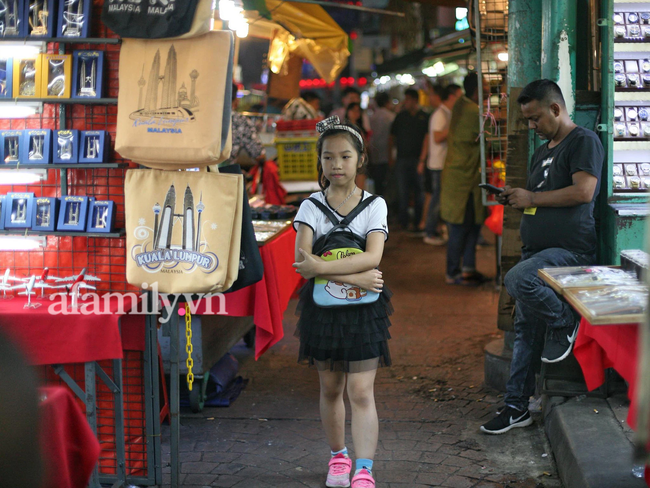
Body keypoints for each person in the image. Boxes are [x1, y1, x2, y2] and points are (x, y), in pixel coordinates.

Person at [480, 79, 603, 435]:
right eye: (528, 121)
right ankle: (516, 407)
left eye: (536, 119)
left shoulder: (583, 141)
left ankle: (566, 322)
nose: (532, 127)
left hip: (569, 252)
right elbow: (541, 196)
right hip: (538, 251)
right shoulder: (542, 150)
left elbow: (584, 192)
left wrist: (532, 200)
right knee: (525, 332)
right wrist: (520, 197)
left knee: (517, 279)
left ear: (555, 108)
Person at [292, 116, 392, 488]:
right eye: (329, 157)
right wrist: (354, 277)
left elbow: (373, 257)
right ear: (320, 161)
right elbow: (303, 263)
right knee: (331, 388)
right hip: (324, 311)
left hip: (365, 311)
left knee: (361, 391)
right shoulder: (310, 207)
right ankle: (338, 458)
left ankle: (364, 468)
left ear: (360, 159)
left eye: (345, 157)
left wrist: (325, 267)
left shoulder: (374, 205)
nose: (337, 165)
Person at [440, 73, 488, 285]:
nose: (489, 90)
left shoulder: (462, 104)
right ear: (477, 90)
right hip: (462, 181)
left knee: (471, 225)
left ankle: (467, 268)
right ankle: (453, 272)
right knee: (460, 228)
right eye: (486, 86)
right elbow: (489, 138)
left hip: (463, 179)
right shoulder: (471, 111)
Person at [418, 84, 459, 244]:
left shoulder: (446, 113)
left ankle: (435, 230)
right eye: (458, 95)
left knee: (439, 198)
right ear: (450, 96)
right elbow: (436, 137)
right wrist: (455, 127)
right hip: (438, 164)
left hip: (443, 163)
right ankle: (429, 232)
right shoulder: (440, 114)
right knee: (437, 199)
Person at [389, 88, 430, 232]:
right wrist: (391, 157)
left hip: (418, 161)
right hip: (402, 159)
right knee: (403, 192)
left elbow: (427, 138)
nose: (405, 102)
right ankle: (404, 222)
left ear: (414, 100)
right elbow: (392, 137)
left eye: (407, 99)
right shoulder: (401, 117)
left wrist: (423, 159)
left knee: (419, 192)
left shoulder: (424, 117)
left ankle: (418, 221)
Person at [230, 83, 265, 164]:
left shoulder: (203, 117)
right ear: (236, 101)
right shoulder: (241, 121)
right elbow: (259, 154)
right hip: (223, 173)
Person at [368, 92, 395, 197]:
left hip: (375, 154)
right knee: (387, 183)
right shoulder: (391, 116)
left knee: (377, 184)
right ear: (387, 102)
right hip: (387, 154)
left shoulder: (372, 117)